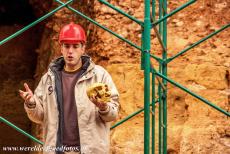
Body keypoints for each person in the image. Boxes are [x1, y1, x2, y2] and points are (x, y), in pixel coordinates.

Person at [19, 22, 119, 154]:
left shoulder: (99, 75)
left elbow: (113, 114)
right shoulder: (49, 78)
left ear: (83, 48)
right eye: (66, 46)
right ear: (61, 48)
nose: (70, 51)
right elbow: (40, 117)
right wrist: (31, 103)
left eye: (75, 46)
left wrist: (103, 107)